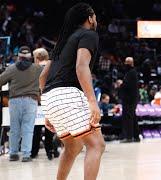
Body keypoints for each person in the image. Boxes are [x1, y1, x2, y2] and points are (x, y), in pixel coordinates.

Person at [39, 3, 105, 180]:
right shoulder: (89, 34)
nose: (96, 20)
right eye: (95, 16)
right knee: (96, 145)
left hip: (49, 97)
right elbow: (81, 66)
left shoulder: (63, 41)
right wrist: (92, 101)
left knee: (73, 147)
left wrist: (50, 110)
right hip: (68, 94)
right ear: (90, 18)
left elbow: (43, 76)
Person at [0, 45, 42, 162]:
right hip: (31, 101)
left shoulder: (12, 68)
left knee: (14, 129)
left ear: (19, 56)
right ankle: (26, 155)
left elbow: (1, 80)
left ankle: (13, 153)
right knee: (28, 129)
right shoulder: (37, 68)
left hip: (14, 101)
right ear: (30, 56)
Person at [31, 47, 60, 160]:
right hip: (51, 99)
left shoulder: (33, 68)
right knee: (50, 128)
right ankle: (51, 150)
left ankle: (34, 151)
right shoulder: (53, 67)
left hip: (37, 100)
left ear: (37, 57)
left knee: (36, 128)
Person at [119, 56, 140, 143]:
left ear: (130, 63)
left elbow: (128, 86)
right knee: (133, 117)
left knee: (128, 118)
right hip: (132, 98)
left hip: (129, 99)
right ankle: (136, 136)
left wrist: (121, 84)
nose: (125, 64)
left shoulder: (131, 73)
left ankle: (128, 137)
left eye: (126, 63)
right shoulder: (131, 72)